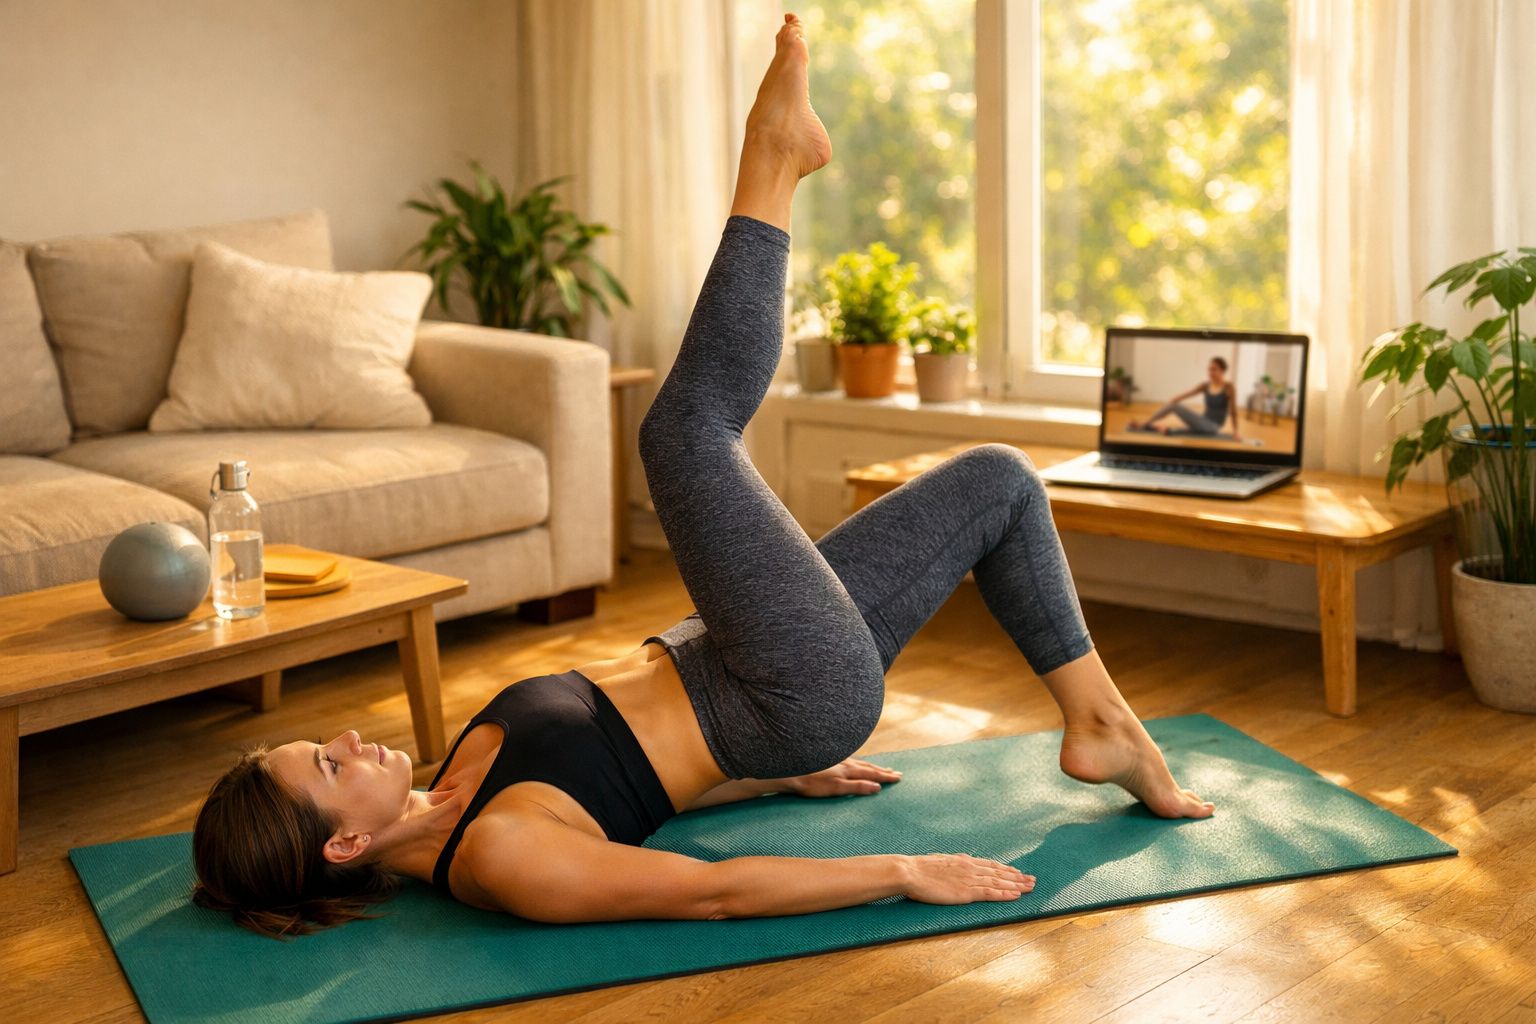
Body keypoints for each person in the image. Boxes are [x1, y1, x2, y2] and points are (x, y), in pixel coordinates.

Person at [191, 13, 1214, 939]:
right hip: (784, 686)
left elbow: (640, 786)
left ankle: (1106, 726)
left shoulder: (443, 779)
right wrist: (903, 870)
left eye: (321, 744)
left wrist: (783, 779)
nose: (346, 738)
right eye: (327, 767)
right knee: (681, 436)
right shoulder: (500, 857)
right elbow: (709, 890)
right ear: (344, 848)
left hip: (752, 681)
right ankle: (771, 161)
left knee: (998, 481)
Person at [1128, 357, 1241, 439]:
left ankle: (1144, 425)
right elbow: (1188, 394)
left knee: (1176, 408)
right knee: (1175, 407)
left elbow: (1233, 412)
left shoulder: (1229, 387)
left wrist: (1236, 432)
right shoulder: (1205, 385)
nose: (1210, 372)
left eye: (1214, 369)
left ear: (1222, 370)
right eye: (1209, 369)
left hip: (1213, 426)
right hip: (1202, 422)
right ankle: (1158, 427)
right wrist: (1175, 399)